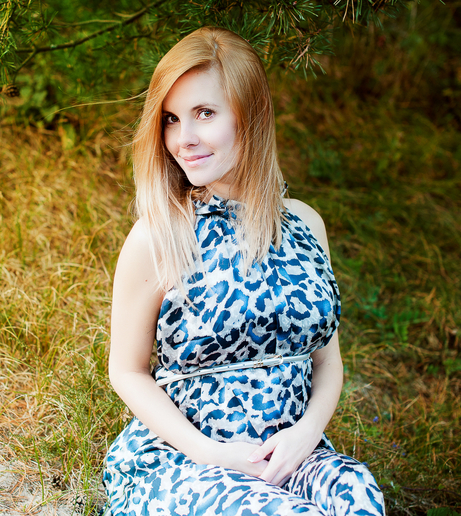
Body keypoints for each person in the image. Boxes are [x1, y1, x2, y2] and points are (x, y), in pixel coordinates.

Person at [103, 26, 385, 515]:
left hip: (291, 453)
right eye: (171, 119)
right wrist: (212, 453)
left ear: (249, 114)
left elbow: (327, 362)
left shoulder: (305, 225)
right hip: (187, 461)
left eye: (204, 113)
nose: (184, 139)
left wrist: (307, 433)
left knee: (358, 495)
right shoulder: (159, 235)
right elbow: (126, 371)